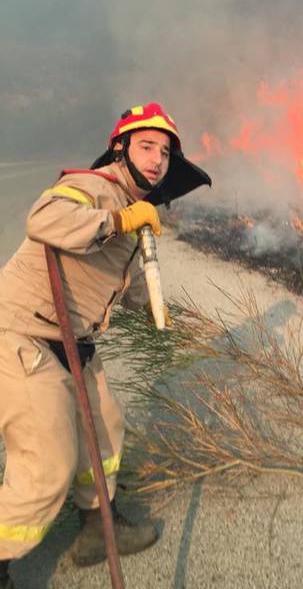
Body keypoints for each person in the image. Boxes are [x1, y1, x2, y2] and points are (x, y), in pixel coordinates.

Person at [0, 103, 211, 588]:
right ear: (120, 148)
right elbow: (44, 218)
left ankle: (99, 527)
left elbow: (125, 285)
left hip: (74, 343)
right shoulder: (94, 187)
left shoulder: (134, 212)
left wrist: (159, 309)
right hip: (24, 335)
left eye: (165, 151)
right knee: (47, 464)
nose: (158, 159)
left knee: (105, 431)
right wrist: (117, 222)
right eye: (146, 146)